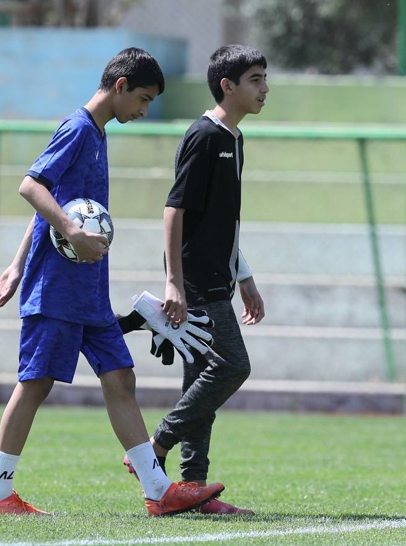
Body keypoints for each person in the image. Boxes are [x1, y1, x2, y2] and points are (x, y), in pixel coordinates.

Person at [0, 47, 224, 517]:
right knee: (36, 384)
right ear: (121, 86)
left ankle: (158, 491)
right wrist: (66, 235)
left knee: (120, 377)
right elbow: (32, 186)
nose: (144, 111)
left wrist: (14, 264)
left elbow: (54, 201)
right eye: (143, 99)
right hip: (56, 288)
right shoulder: (77, 129)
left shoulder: (98, 135)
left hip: (89, 292)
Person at [122, 45, 268, 515]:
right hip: (197, 285)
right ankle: (155, 445)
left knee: (198, 382)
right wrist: (173, 283)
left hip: (218, 279)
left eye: (265, 78)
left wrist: (243, 275)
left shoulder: (234, 138)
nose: (264, 88)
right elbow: (174, 210)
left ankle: (192, 489)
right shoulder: (205, 136)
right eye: (255, 79)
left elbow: (220, 221)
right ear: (227, 85)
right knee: (232, 366)